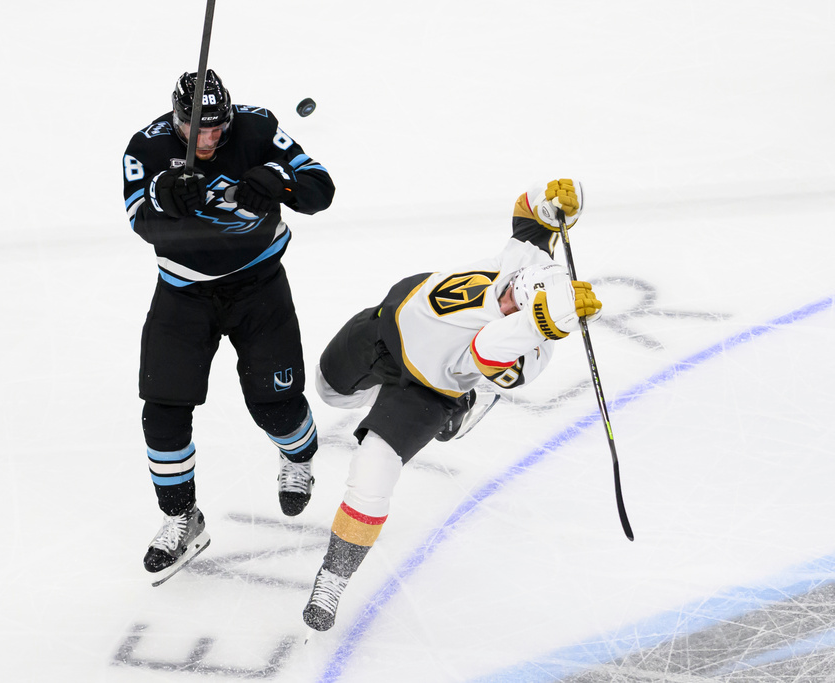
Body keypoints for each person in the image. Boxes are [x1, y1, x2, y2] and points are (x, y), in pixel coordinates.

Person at [301, 179, 602, 631]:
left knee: (372, 474)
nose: (505, 298)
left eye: (517, 304)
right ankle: (465, 396)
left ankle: (333, 577)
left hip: (427, 390)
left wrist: (543, 322)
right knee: (329, 392)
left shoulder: (530, 350)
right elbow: (528, 213)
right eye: (513, 290)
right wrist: (556, 198)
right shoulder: (526, 264)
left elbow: (490, 348)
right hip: (380, 334)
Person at [121, 69, 336, 585]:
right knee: (163, 409)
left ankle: (299, 458)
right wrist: (164, 195)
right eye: (199, 131)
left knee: (275, 403)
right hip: (182, 294)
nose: (210, 140)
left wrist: (278, 182)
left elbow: (321, 188)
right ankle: (181, 518)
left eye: (219, 129)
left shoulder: (259, 129)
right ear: (177, 120)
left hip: (258, 287)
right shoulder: (145, 148)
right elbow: (138, 221)